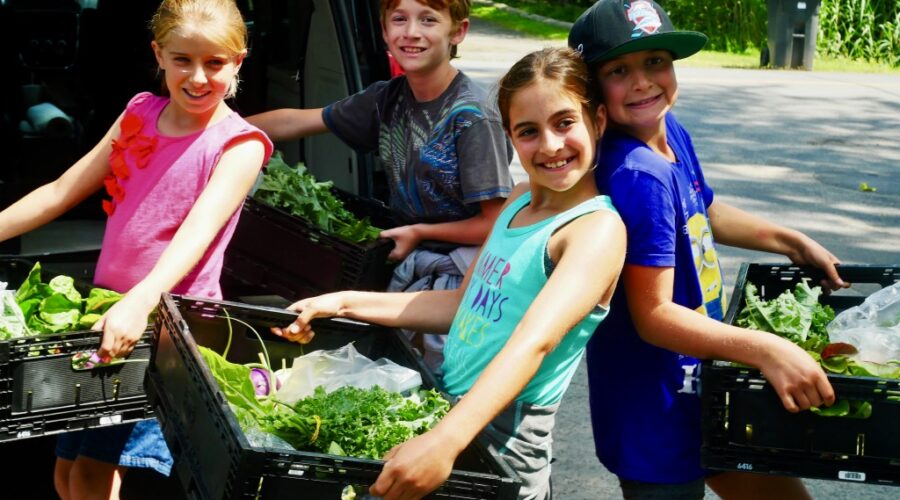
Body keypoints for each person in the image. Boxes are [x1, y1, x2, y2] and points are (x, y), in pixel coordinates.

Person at [272, 47, 626, 500]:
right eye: (528, 131)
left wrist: (445, 440)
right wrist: (342, 302)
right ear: (509, 137)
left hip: (504, 441)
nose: (550, 145)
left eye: (564, 123)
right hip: (452, 411)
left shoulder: (594, 230)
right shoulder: (517, 200)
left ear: (597, 120)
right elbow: (461, 304)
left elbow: (533, 343)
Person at [567, 1, 847, 498]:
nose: (643, 82)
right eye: (618, 71)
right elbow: (654, 316)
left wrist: (789, 240)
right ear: (591, 89)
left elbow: (703, 208)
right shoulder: (638, 176)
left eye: (655, 61)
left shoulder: (667, 132)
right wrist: (767, 350)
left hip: (705, 382)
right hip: (656, 411)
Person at [0, 0, 273, 497]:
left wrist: (140, 303)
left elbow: (197, 233)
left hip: (165, 329)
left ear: (238, 61)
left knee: (93, 476)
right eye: (182, 59)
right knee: (67, 472)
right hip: (107, 316)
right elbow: (61, 191)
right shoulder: (139, 113)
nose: (198, 77)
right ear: (158, 54)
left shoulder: (241, 145)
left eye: (214, 63)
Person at [247, 0, 514, 372]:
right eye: (399, 19)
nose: (411, 32)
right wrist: (219, 132)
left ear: (458, 31)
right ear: (384, 31)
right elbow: (297, 121)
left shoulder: (472, 117)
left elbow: (496, 224)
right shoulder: (387, 98)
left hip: (461, 275)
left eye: (428, 20)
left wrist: (420, 232)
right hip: (413, 258)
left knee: (438, 379)